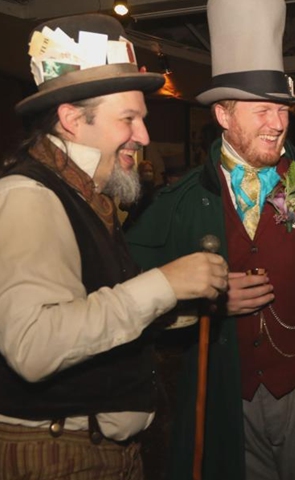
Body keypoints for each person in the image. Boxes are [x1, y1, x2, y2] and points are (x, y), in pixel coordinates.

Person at [125, 0, 295, 479]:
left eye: (283, 109)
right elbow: (127, 302)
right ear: (223, 115)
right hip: (226, 393)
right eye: (262, 110)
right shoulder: (178, 204)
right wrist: (202, 305)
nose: (277, 122)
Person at [0, 14, 228, 480]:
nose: (143, 137)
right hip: (58, 455)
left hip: (90, 450)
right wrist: (164, 284)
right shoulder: (29, 197)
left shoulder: (83, 192)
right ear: (71, 119)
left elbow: (92, 308)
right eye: (129, 119)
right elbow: (34, 345)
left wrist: (183, 300)